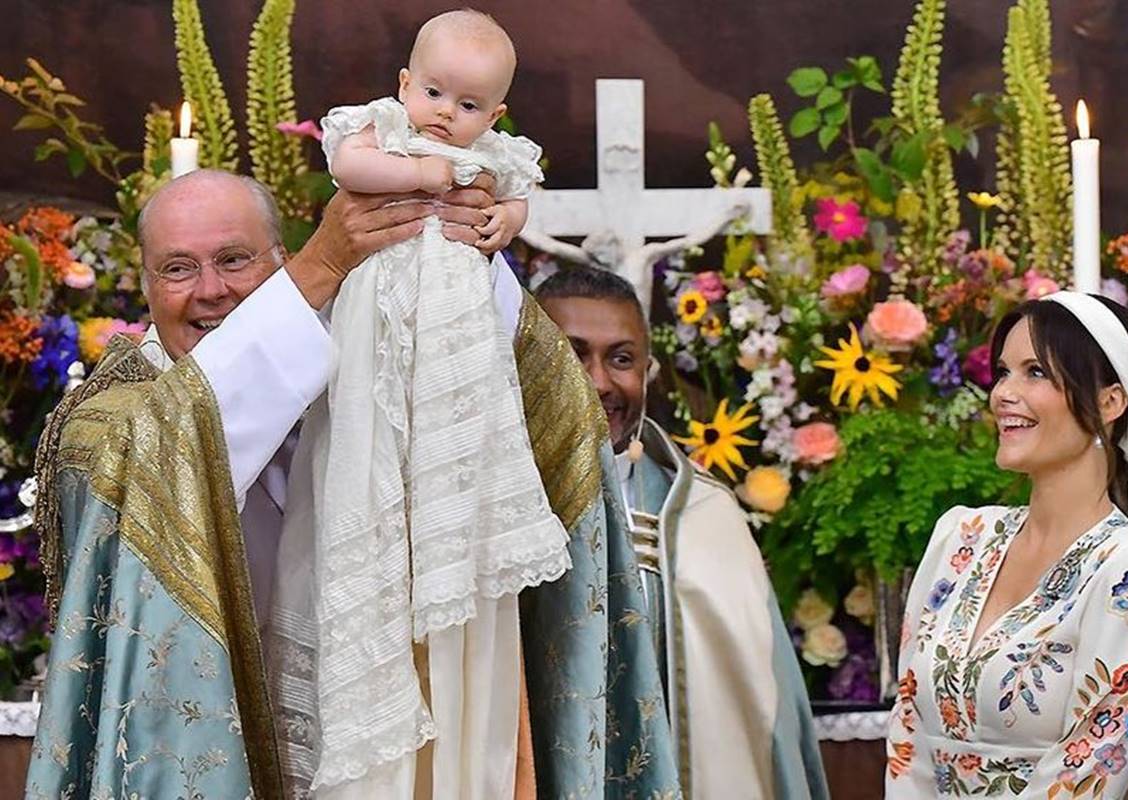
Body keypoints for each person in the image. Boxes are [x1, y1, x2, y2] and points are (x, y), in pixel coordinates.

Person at [22, 168, 536, 799]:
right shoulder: (108, 420)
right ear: (146, 286)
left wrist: (462, 249)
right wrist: (324, 264)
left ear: (279, 258)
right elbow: (172, 434)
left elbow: (509, 401)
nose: (211, 291)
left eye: (234, 259)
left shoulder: (361, 374)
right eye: (178, 269)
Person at [280, 10, 567, 797]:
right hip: (378, 338)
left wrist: (504, 218)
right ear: (405, 85)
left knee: (455, 450)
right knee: (369, 457)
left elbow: (517, 204)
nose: (446, 113)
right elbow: (351, 168)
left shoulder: (493, 157)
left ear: (495, 117)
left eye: (469, 106)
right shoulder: (384, 131)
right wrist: (430, 175)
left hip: (456, 354)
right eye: (434, 91)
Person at [536, 265, 831, 800]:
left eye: (620, 359)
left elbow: (768, 715)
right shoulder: (481, 506)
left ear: (648, 371)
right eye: (572, 354)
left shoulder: (705, 514)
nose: (599, 381)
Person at [885, 292, 1128, 798]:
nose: (1003, 393)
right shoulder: (961, 537)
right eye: (1003, 372)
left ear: (1111, 402)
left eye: (1035, 372)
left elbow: (1087, 768)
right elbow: (908, 728)